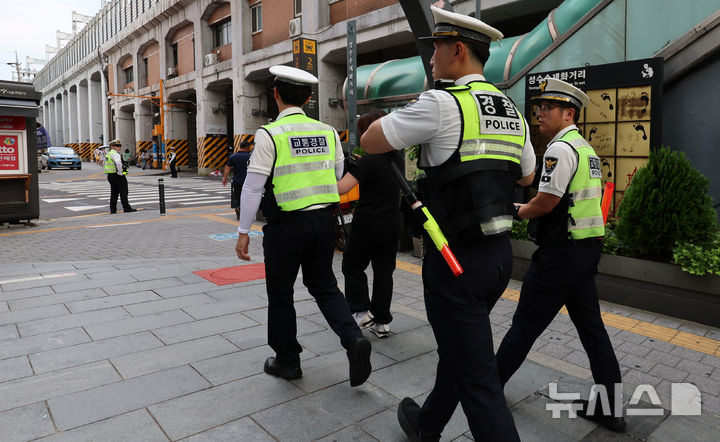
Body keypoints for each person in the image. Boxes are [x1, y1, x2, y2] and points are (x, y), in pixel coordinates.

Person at [361, 6, 535, 441]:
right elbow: (528, 174)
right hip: (497, 258)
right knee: (463, 350)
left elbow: (370, 140)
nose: (432, 59)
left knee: (481, 383)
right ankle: (429, 423)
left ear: (457, 49)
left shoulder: (441, 103)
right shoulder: (510, 110)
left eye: (436, 49)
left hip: (454, 259)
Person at [495, 78, 626, 432]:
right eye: (539, 107)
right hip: (584, 251)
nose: (540, 113)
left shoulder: (558, 149)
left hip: (560, 256)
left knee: (525, 324)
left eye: (548, 108)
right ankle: (611, 408)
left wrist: (514, 211)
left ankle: (488, 390)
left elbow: (546, 202)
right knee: (592, 329)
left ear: (568, 113)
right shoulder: (585, 149)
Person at [234, 65, 372, 387]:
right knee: (324, 285)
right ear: (309, 98)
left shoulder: (269, 134)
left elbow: (253, 188)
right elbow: (337, 176)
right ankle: (353, 339)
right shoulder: (327, 132)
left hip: (286, 227)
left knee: (281, 293)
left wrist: (243, 233)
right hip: (323, 222)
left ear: (275, 95)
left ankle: (288, 361)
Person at [337, 110, 403, 338]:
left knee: (352, 267)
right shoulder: (397, 157)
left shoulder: (366, 160)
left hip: (368, 223)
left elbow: (341, 189)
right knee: (384, 272)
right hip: (393, 222)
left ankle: (361, 312)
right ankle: (382, 322)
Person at [223, 140, 253, 220]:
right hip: (248, 181)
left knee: (237, 197)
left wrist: (224, 179)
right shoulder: (250, 157)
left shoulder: (233, 156)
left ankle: (238, 209)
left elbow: (227, 168)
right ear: (247, 147)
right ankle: (245, 214)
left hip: (236, 181)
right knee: (247, 198)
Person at [105, 139, 137, 214]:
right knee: (124, 192)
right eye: (117, 146)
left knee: (114, 193)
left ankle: (113, 210)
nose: (119, 147)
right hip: (118, 175)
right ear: (112, 146)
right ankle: (126, 208)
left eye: (120, 145)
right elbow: (118, 163)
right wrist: (120, 173)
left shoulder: (108, 154)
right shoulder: (115, 154)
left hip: (110, 175)